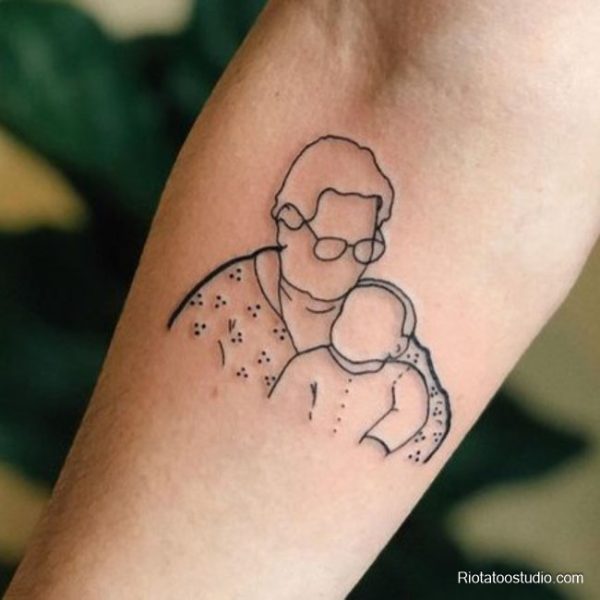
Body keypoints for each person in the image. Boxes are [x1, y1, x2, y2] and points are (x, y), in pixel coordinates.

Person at [7, 2, 600, 599]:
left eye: (365, 247)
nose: (350, 264)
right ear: (287, 222)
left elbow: (423, 421)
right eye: (331, 243)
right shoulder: (227, 308)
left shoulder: (383, 322)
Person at [269, 281, 450, 462]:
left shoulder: (401, 377)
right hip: (303, 450)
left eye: (371, 326)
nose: (354, 327)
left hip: (359, 461)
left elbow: (409, 414)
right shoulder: (310, 362)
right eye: (348, 316)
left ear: (398, 347)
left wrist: (376, 444)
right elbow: (282, 405)